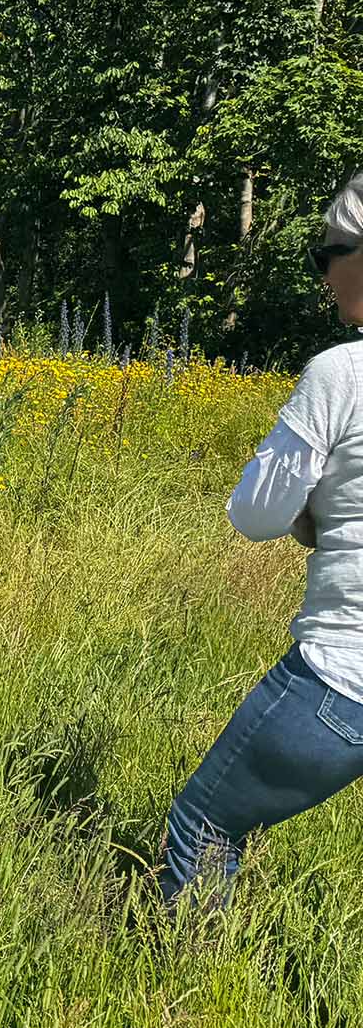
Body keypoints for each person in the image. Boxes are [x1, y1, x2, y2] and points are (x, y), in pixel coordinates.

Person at [160, 173, 363, 903]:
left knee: (205, 823)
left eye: (327, 253)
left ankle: (185, 971)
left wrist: (310, 509)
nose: (323, 273)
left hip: (345, 674)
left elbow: (256, 514)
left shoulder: (341, 374)